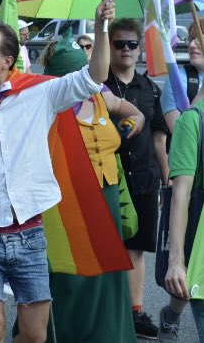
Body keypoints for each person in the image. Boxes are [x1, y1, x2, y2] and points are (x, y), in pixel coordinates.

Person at [0, 0, 116, 343]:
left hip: (29, 234)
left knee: (35, 335)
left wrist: (100, 27)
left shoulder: (40, 94)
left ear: (7, 61)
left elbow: (95, 77)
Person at [39, 30, 144, 342]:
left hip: (107, 196)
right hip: (66, 200)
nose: (80, 80)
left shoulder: (100, 95)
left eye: (81, 73)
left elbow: (136, 115)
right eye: (72, 75)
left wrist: (125, 130)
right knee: (71, 275)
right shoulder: (45, 103)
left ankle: (111, 335)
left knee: (108, 271)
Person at [105, 18, 169, 340]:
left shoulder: (150, 90)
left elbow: (159, 139)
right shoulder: (98, 87)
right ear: (110, 45)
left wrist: (168, 179)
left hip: (144, 179)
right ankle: (107, 312)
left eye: (132, 44)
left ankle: (135, 313)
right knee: (105, 248)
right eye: (119, 44)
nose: (126, 50)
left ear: (140, 49)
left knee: (136, 250)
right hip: (107, 180)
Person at [158, 24, 204, 342]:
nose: (195, 44)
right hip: (197, 228)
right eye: (194, 40)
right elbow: (182, 193)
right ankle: (171, 314)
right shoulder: (191, 116)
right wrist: (176, 260)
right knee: (183, 285)